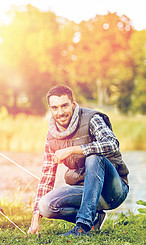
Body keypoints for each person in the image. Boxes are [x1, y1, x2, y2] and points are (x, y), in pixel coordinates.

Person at [28, 85, 129, 236]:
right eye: (55, 108)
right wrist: (35, 218)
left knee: (94, 158)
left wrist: (72, 150)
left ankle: (82, 227)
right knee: (45, 206)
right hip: (87, 191)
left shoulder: (92, 119)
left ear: (73, 104)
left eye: (64, 106)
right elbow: (46, 178)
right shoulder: (52, 138)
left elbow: (112, 143)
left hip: (113, 190)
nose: (60, 112)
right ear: (50, 109)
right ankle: (94, 219)